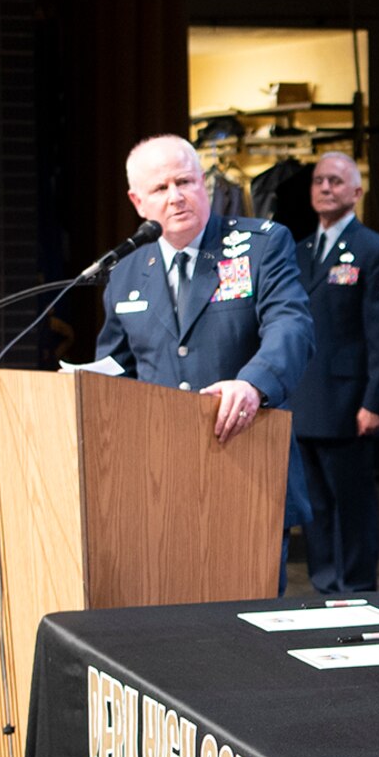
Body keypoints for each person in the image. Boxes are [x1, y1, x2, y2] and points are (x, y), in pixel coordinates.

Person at [96, 134, 316, 589]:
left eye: (186, 181)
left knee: (246, 628)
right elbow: (115, 370)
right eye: (160, 189)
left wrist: (252, 384)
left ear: (205, 184)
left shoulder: (260, 245)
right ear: (139, 202)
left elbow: (291, 327)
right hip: (159, 481)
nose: (176, 196)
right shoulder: (126, 273)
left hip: (246, 465)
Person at [292, 151, 379, 595]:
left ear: (356, 191)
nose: (325, 187)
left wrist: (375, 399)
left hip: (349, 403)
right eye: (318, 180)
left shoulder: (372, 248)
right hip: (305, 400)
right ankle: (324, 586)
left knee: (351, 507)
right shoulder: (298, 250)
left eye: (335, 180)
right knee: (314, 507)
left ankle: (355, 588)